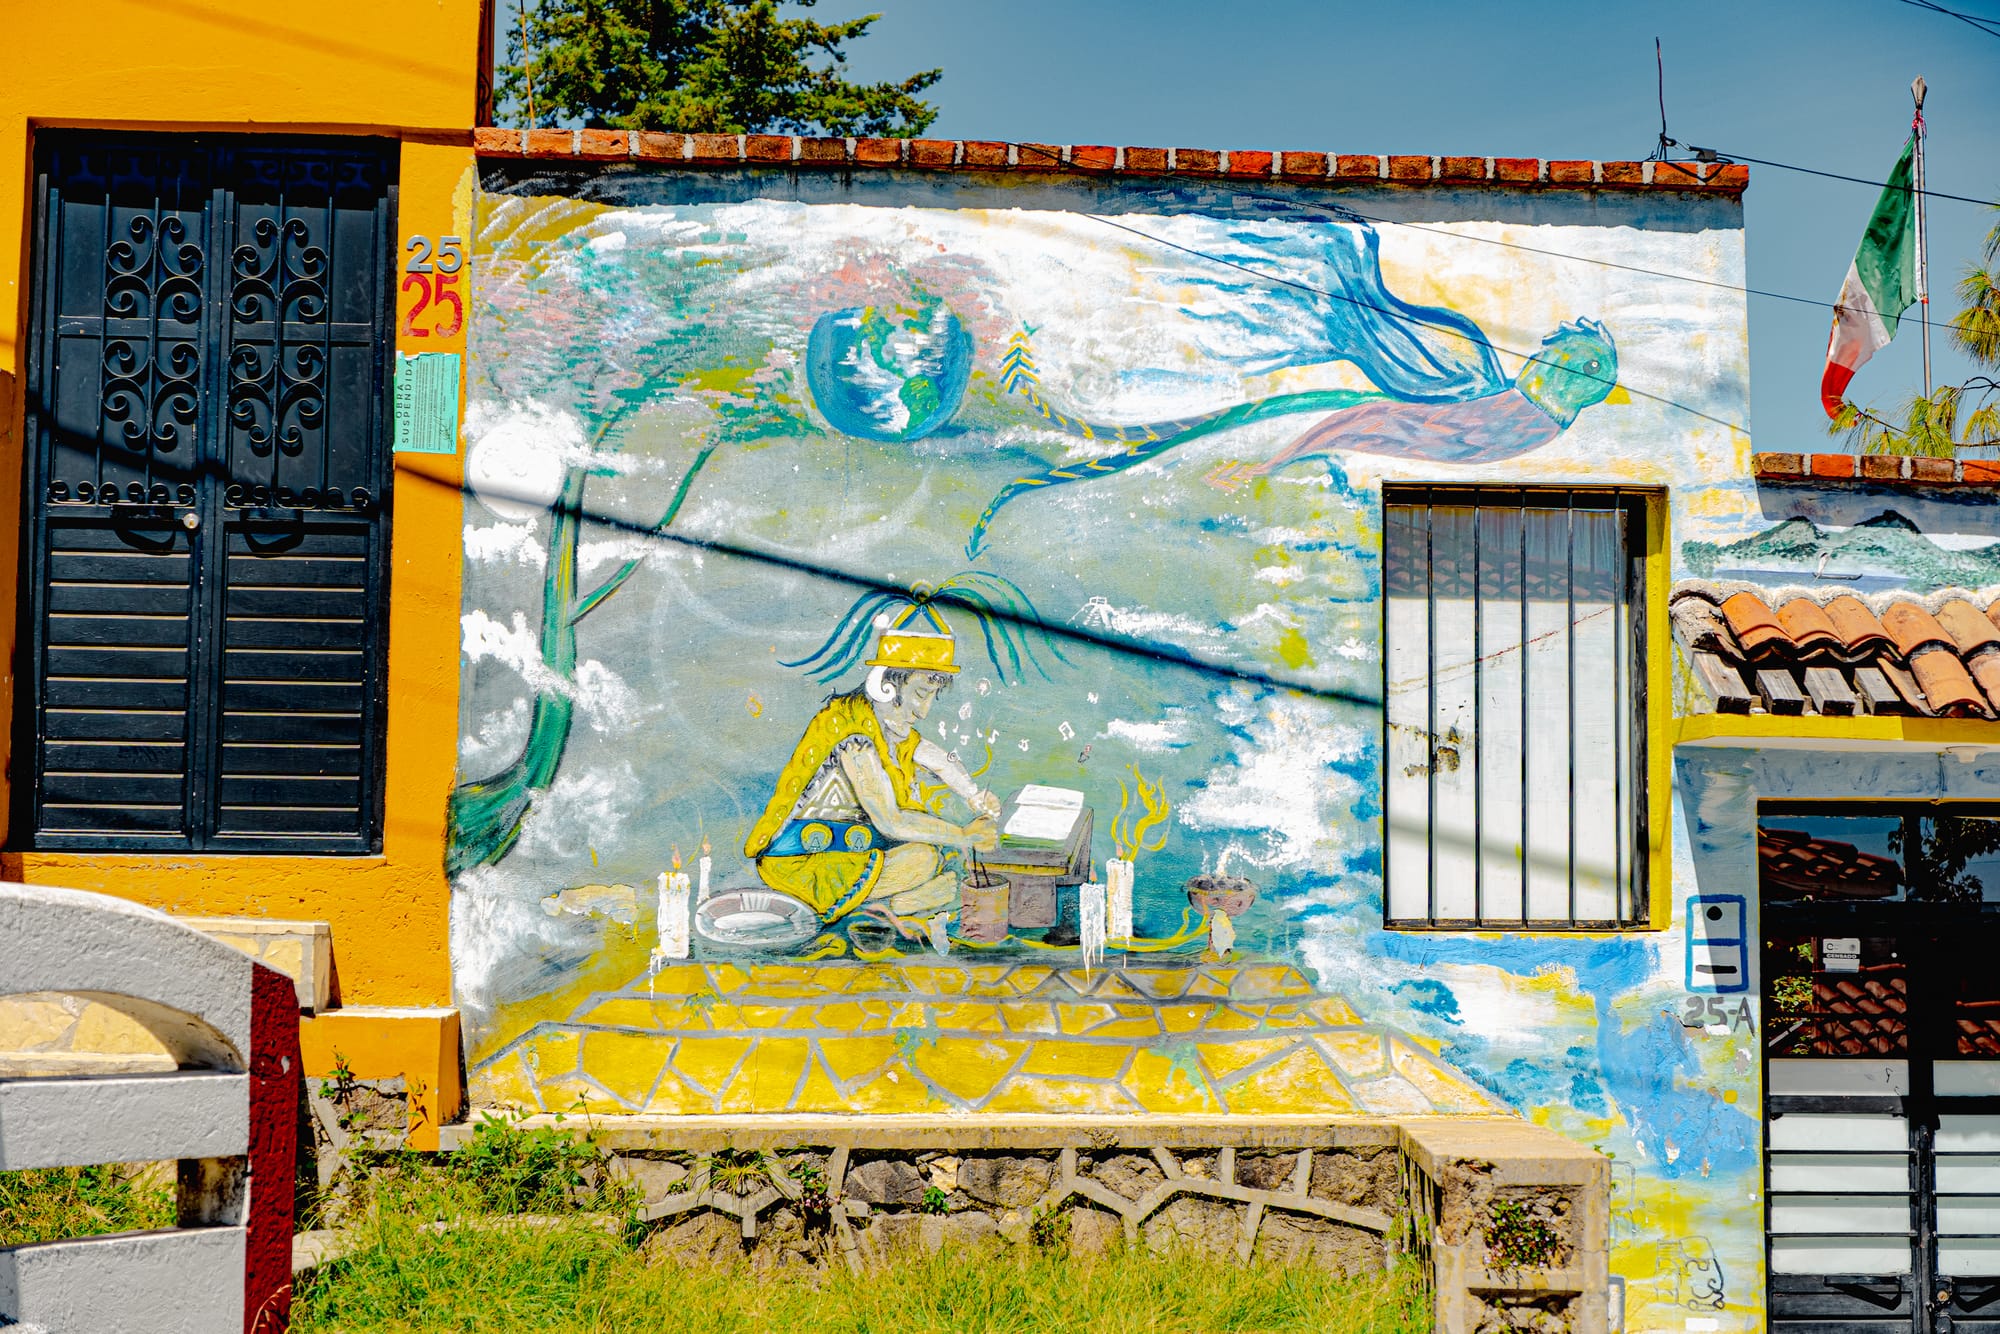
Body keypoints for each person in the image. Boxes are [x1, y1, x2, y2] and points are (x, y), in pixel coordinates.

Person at [745, 605, 1001, 928]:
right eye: (920, 694)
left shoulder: (885, 725)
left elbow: (935, 758)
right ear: (888, 685)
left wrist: (974, 795)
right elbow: (890, 820)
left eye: (931, 697)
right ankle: (895, 904)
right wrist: (963, 835)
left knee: (931, 855)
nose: (923, 712)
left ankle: (900, 902)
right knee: (923, 858)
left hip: (851, 847)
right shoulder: (852, 732)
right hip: (801, 862)